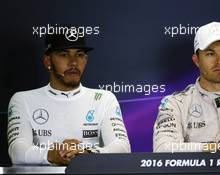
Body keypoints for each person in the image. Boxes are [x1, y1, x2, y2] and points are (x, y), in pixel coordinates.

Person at [7, 31, 131, 165]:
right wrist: (52, 154)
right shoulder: (23, 100)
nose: (74, 63)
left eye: (79, 55)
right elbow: (17, 151)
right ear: (48, 61)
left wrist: (86, 153)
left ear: (86, 60)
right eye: (64, 55)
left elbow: (122, 147)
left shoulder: (104, 99)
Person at [153, 21, 220, 153]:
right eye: (210, 54)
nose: (219, 61)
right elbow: (163, 149)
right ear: (196, 60)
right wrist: (216, 148)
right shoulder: (174, 104)